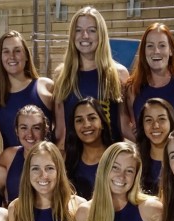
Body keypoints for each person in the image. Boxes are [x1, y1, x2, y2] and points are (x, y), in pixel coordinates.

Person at [53, 6, 131, 148]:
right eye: (78, 30)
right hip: (75, 162)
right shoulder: (62, 75)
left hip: (110, 160)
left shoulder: (118, 73)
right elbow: (60, 131)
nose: (85, 36)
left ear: (101, 34)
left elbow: (124, 126)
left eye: (92, 30)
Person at [0, 30, 53, 149]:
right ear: (0, 58)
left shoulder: (45, 87)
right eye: (6, 52)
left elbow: (62, 132)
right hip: (12, 165)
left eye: (17, 51)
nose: (12, 56)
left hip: (44, 164)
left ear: (26, 56)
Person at [126, 23, 174, 128]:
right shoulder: (133, 89)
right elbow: (135, 133)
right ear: (143, 51)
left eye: (162, 45)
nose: (156, 51)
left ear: (171, 50)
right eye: (150, 46)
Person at [0, 105, 50, 203]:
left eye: (36, 128)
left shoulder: (56, 157)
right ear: (17, 130)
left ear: (45, 130)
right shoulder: (8, 156)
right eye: (24, 128)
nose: (30, 134)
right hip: (15, 216)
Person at [64, 97, 111, 200]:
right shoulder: (67, 161)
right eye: (79, 120)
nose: (86, 125)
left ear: (102, 123)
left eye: (92, 118)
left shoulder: (116, 157)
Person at [135, 98, 174, 195]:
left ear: (171, 121)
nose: (156, 125)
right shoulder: (135, 159)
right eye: (149, 120)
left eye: (162, 119)